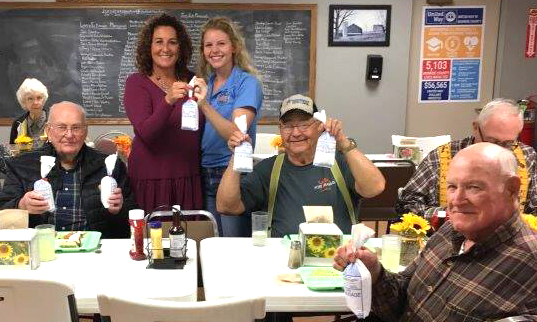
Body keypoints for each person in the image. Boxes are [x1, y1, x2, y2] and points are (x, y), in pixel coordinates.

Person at [334, 143, 537, 321]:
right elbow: (400, 299)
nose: (457, 199)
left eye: (474, 187)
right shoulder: (449, 232)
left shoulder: (529, 264)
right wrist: (375, 272)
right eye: (452, 186)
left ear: (511, 188)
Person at [216, 94, 385, 237]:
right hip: (284, 260)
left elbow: (375, 188)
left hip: (339, 260)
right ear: (280, 130)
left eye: (304, 124)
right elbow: (226, 206)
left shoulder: (339, 162)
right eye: (288, 126)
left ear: (320, 126)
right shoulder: (269, 169)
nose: (296, 133)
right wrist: (237, 155)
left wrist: (342, 142)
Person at [0, 101, 135, 238]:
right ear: (48, 130)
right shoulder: (21, 165)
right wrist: (22, 205)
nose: (69, 135)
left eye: (76, 127)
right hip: (42, 247)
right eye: (61, 127)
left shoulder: (110, 166)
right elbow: (3, 210)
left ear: (85, 130)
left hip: (94, 248)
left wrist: (119, 209)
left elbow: (133, 214)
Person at [397, 98, 537, 220]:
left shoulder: (528, 157)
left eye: (508, 144)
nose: (498, 150)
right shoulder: (441, 157)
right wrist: (450, 214)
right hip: (450, 240)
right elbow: (408, 205)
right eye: (492, 141)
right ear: (476, 128)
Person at [124, 13, 203, 213]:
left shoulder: (194, 80)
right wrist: (168, 100)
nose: (165, 49)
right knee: (153, 242)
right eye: (159, 42)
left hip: (189, 178)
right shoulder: (136, 82)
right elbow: (147, 133)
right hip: (151, 180)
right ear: (148, 47)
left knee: (189, 241)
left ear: (180, 47)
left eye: (172, 42)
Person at [193, 17, 263, 236]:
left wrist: (204, 105)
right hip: (205, 172)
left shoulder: (246, 83)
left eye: (221, 43)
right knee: (214, 243)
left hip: (233, 172)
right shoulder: (208, 83)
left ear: (234, 46)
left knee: (234, 246)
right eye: (209, 45)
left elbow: (236, 134)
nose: (215, 50)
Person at [10, 78, 49, 144]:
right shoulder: (17, 123)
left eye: (39, 98)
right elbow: (12, 149)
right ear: (24, 101)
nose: (35, 102)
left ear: (44, 99)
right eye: (30, 99)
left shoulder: (53, 122)